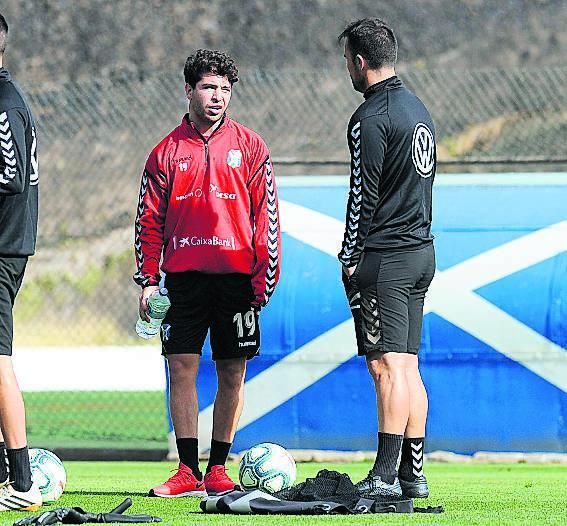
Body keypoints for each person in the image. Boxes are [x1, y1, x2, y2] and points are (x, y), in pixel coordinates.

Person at [134, 49, 280, 497]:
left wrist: (264, 277)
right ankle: (185, 469)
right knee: (181, 367)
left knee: (232, 372)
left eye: (224, 89)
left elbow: (266, 216)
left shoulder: (251, 147)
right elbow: (148, 221)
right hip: (183, 281)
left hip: (237, 278)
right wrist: (148, 280)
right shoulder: (164, 153)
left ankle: (218, 467)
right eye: (208, 87)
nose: (217, 97)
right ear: (189, 91)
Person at [338, 18, 436, 499]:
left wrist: (350, 256)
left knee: (389, 367)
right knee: (409, 367)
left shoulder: (370, 118)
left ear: (360, 62)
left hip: (388, 257)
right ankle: (412, 476)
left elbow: (364, 193)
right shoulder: (419, 109)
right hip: (421, 253)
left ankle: (383, 474)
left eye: (347, 62)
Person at [0, 12, 42, 511]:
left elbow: (9, 175)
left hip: (3, 248)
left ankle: (23, 480)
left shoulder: (5, 103)